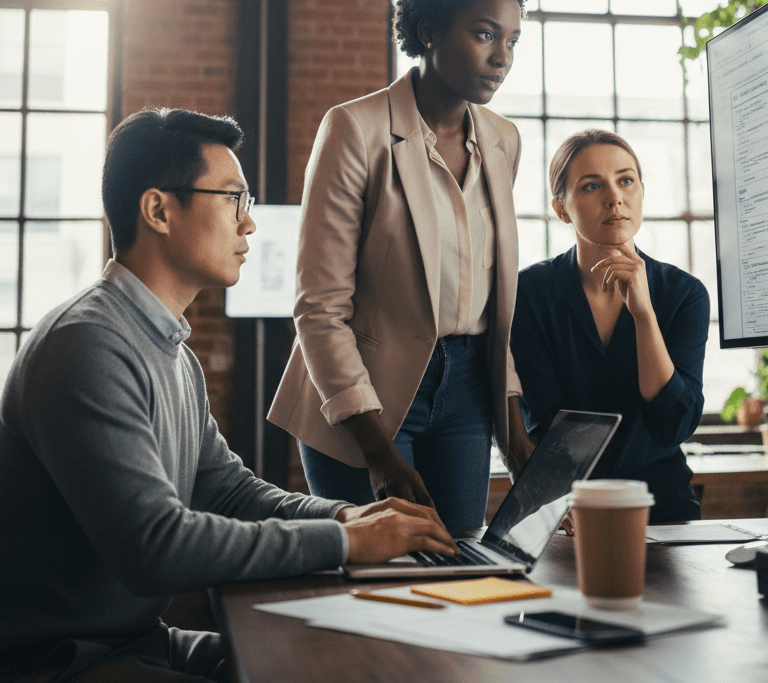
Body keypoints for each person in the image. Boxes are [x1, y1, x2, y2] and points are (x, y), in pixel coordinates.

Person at [0, 108, 457, 683]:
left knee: (328, 665)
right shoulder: (87, 346)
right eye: (233, 200)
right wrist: (345, 541)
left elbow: (226, 489)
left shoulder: (170, 351)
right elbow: (157, 547)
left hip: (137, 642)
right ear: (159, 211)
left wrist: (349, 514)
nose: (250, 226)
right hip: (56, 661)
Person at [268, 0, 535, 531]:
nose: (503, 57)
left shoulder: (503, 140)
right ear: (430, 30)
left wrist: (513, 428)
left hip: (467, 390)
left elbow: (494, 302)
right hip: (362, 393)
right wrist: (377, 449)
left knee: (458, 563)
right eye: (486, 33)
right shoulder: (354, 130)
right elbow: (318, 308)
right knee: (378, 580)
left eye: (513, 40)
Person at [510, 129, 710, 524]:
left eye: (625, 180)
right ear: (562, 208)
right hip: (566, 509)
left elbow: (673, 427)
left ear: (640, 192)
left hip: (661, 506)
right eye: (591, 185)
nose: (614, 197)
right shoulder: (529, 293)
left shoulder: (684, 294)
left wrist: (644, 315)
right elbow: (545, 423)